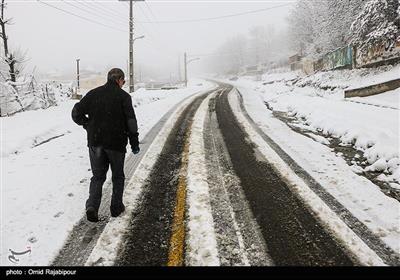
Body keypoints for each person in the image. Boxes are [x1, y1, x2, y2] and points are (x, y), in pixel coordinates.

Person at [71, 68, 140, 222]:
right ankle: (116, 208)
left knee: (98, 176)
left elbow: (76, 112)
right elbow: (131, 122)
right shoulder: (124, 97)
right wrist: (134, 142)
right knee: (117, 176)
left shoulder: (93, 94)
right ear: (119, 80)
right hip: (116, 143)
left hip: (96, 143)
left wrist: (87, 124)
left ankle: (92, 206)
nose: (124, 83)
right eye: (123, 81)